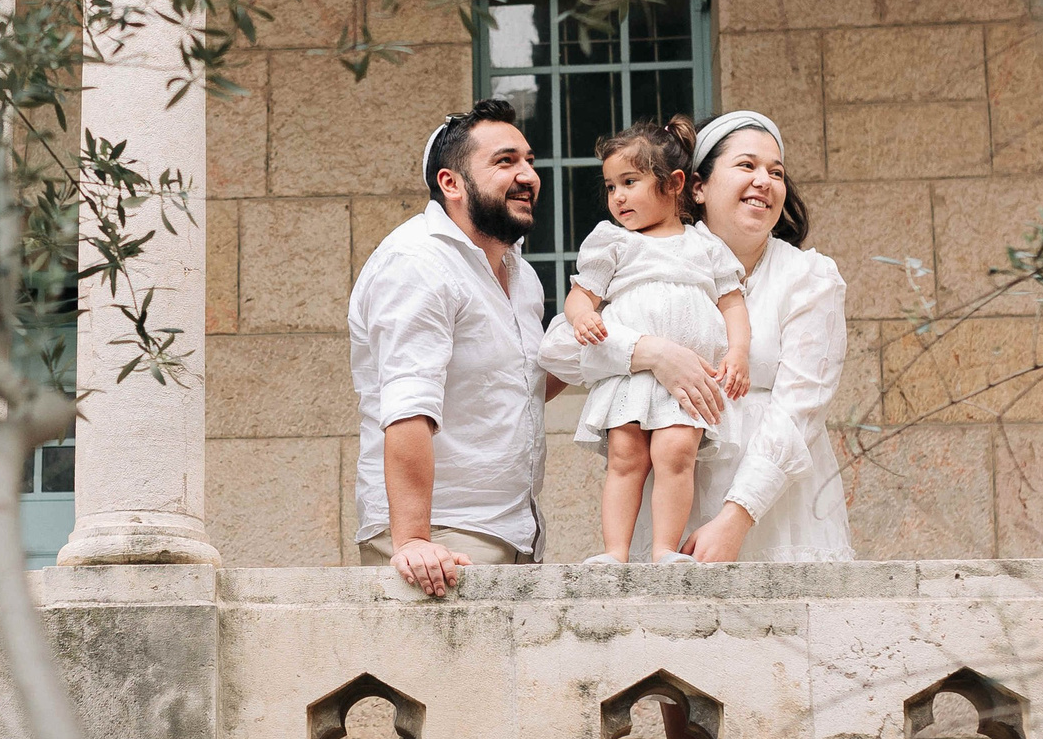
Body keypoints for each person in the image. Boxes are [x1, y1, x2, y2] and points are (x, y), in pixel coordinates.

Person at [542, 109, 854, 562]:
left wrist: (736, 516)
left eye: (777, 172)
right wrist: (651, 354)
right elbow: (559, 349)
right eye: (747, 165)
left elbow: (801, 408)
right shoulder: (646, 251)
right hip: (677, 501)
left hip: (774, 509)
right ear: (698, 186)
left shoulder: (810, 276)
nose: (764, 180)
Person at [350, 97, 565, 596]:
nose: (529, 175)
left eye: (530, 161)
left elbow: (519, 387)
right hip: (440, 543)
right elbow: (407, 406)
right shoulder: (417, 263)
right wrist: (413, 541)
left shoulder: (521, 274)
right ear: (451, 184)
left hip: (516, 534)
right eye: (505, 161)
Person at [555, 118, 751, 564]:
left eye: (630, 182)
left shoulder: (706, 246)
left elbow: (733, 304)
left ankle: (664, 548)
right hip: (634, 374)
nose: (617, 196)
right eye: (610, 186)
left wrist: (738, 351)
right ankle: (615, 552)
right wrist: (583, 315)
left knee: (676, 452)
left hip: (689, 380)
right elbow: (580, 294)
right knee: (626, 455)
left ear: (674, 183)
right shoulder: (615, 243)